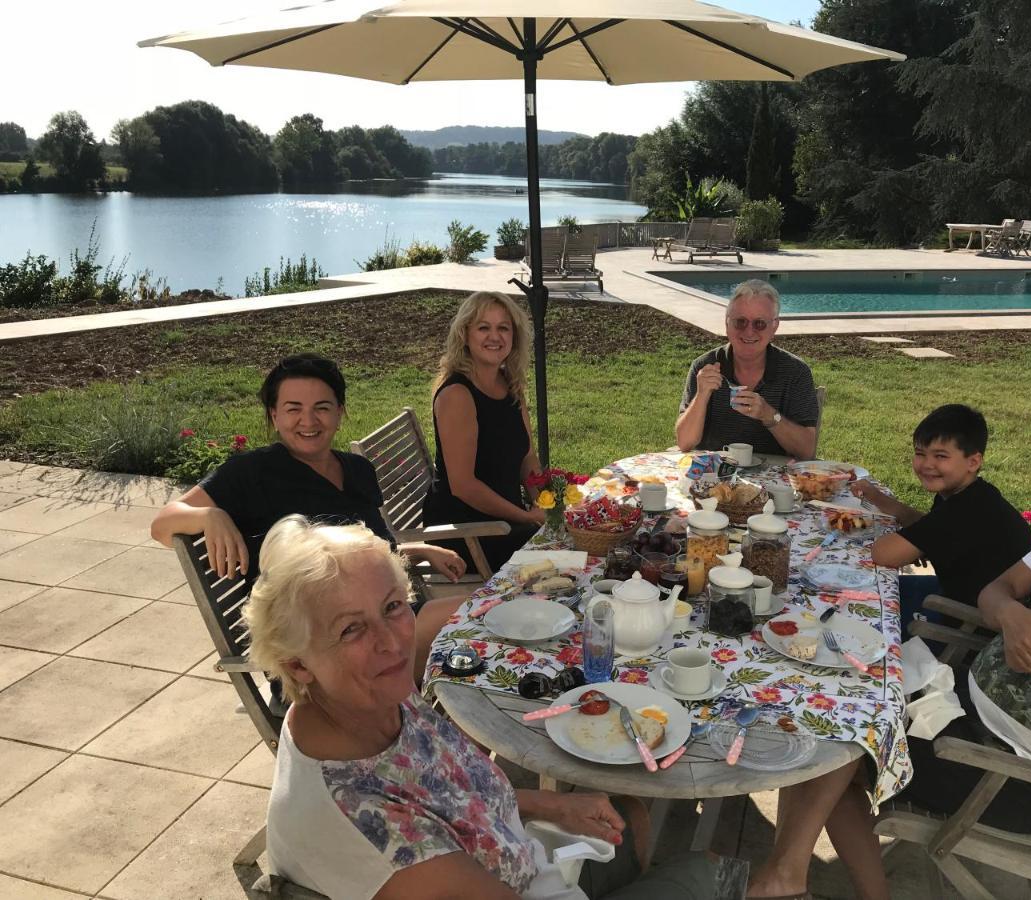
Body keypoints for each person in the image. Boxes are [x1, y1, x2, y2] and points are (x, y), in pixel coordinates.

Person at [747, 385, 1031, 900]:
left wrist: (1011, 616)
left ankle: (789, 881)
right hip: (967, 709)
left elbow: (1029, 647)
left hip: (1024, 777)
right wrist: (1012, 614)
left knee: (827, 741)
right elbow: (997, 590)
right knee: (830, 696)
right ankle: (791, 875)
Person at [247, 515, 721, 899]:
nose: (391, 641)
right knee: (712, 871)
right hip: (522, 882)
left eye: (393, 607)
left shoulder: (363, 701)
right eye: (351, 629)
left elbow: (447, 795)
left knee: (629, 815)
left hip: (518, 857)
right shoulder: (371, 824)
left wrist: (552, 804)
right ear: (297, 664)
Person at [149, 353, 465, 671]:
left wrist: (417, 550)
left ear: (340, 412)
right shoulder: (252, 473)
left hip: (384, 618)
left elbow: (370, 551)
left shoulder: (357, 469)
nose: (309, 421)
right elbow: (162, 524)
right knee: (481, 614)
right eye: (293, 409)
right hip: (322, 647)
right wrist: (208, 516)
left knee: (486, 619)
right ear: (274, 415)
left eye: (322, 408)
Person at [850, 404, 1031, 634]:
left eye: (941, 456)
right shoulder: (973, 495)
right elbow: (927, 525)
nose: (927, 465)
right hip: (960, 597)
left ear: (973, 462)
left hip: (973, 627)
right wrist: (877, 498)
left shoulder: (965, 510)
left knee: (856, 611)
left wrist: (907, 542)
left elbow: (883, 554)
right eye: (920, 453)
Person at [424, 291, 545, 573]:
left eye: (503, 328)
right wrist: (527, 517)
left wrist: (545, 503)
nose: (495, 336)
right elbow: (464, 486)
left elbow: (528, 456)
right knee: (571, 560)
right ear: (465, 335)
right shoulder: (457, 394)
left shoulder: (509, 385)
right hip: (469, 531)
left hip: (505, 520)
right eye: (483, 327)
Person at [675, 279, 819, 459]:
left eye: (759, 323)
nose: (749, 332)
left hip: (774, 483)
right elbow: (685, 442)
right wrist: (702, 395)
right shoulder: (706, 366)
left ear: (774, 326)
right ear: (727, 323)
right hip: (713, 479)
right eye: (740, 322)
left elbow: (806, 451)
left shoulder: (795, 372)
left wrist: (769, 416)